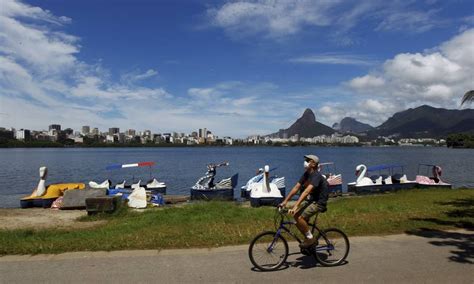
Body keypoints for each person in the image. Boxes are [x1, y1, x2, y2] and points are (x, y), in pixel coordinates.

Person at [279, 154, 330, 249]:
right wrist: (285, 201)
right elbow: (296, 187)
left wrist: (295, 206)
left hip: (319, 203)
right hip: (312, 201)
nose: (305, 162)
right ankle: (308, 240)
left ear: (314, 164)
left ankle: (310, 239)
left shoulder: (316, 175)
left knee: (298, 217)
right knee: (297, 218)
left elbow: (307, 191)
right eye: (306, 160)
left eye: (308, 160)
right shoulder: (306, 174)